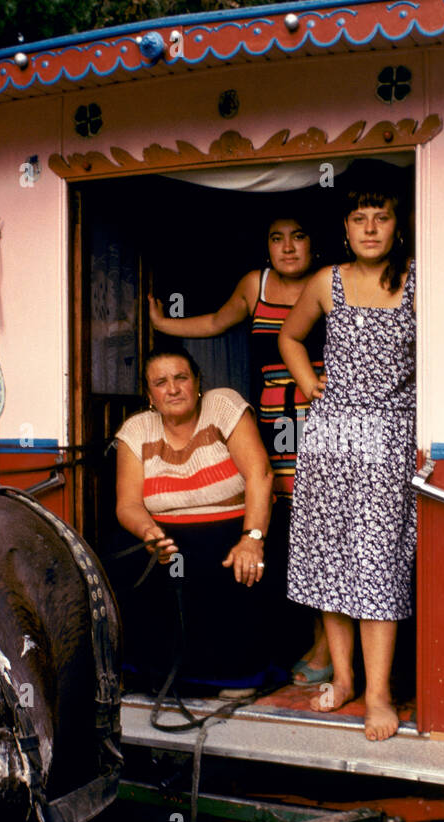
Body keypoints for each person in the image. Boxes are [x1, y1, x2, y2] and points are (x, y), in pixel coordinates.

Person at [149, 215, 331, 685]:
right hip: (273, 420)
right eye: (276, 238)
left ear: (315, 243)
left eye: (299, 236)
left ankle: (326, 646)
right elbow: (214, 321)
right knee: (283, 525)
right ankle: (290, 640)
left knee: (326, 525)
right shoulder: (257, 284)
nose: (288, 247)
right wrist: (162, 322)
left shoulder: (332, 280)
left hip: (327, 417)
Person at [278, 183, 416, 740]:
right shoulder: (326, 280)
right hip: (331, 438)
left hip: (388, 437)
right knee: (331, 561)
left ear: (395, 222)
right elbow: (290, 337)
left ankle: (378, 694)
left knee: (377, 566)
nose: (369, 228)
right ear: (344, 228)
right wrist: (309, 381)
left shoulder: (415, 279)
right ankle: (344, 676)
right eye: (358, 219)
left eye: (379, 217)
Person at [112, 347, 276, 693]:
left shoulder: (222, 405)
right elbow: (127, 504)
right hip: (166, 537)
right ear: (150, 395)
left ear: (198, 382)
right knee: (128, 560)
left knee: (237, 566)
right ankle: (156, 676)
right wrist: (150, 532)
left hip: (233, 532)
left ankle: (234, 676)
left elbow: (259, 474)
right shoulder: (136, 429)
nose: (172, 388)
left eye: (181, 378)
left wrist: (253, 538)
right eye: (160, 382)